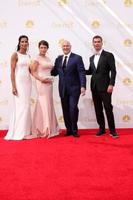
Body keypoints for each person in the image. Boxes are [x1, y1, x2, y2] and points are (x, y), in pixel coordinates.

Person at [51, 40, 86, 137]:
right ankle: (69, 130)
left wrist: (83, 86)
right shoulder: (58, 59)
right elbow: (54, 72)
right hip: (62, 89)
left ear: (70, 47)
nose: (65, 47)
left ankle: (74, 130)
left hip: (74, 88)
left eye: (67, 46)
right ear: (62, 47)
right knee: (65, 109)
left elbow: (81, 72)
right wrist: (42, 67)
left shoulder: (77, 58)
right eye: (64, 46)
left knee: (73, 108)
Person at [86, 35, 119, 138]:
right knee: (98, 109)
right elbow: (90, 71)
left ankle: (113, 131)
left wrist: (111, 84)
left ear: (101, 43)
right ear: (93, 44)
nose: (96, 43)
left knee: (108, 108)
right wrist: (79, 70)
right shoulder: (91, 58)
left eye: (98, 42)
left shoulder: (108, 55)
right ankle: (102, 129)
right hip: (94, 87)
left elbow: (113, 71)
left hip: (105, 87)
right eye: (95, 42)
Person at [31, 40, 60, 138]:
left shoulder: (48, 58)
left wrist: (49, 79)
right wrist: (42, 79)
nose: (43, 49)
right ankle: (44, 129)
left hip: (49, 83)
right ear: (39, 48)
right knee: (44, 103)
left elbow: (51, 70)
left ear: (47, 48)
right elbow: (33, 72)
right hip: (41, 83)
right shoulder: (36, 58)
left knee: (48, 103)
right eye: (41, 47)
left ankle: (49, 127)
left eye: (45, 47)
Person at [5, 35, 32, 140]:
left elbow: (30, 71)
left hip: (28, 83)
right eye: (22, 42)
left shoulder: (29, 56)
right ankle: (18, 132)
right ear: (19, 43)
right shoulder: (15, 55)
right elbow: (12, 71)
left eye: (26, 42)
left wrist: (41, 78)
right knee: (21, 107)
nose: (24, 43)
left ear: (28, 43)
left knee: (26, 106)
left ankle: (25, 131)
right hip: (19, 83)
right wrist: (13, 86)